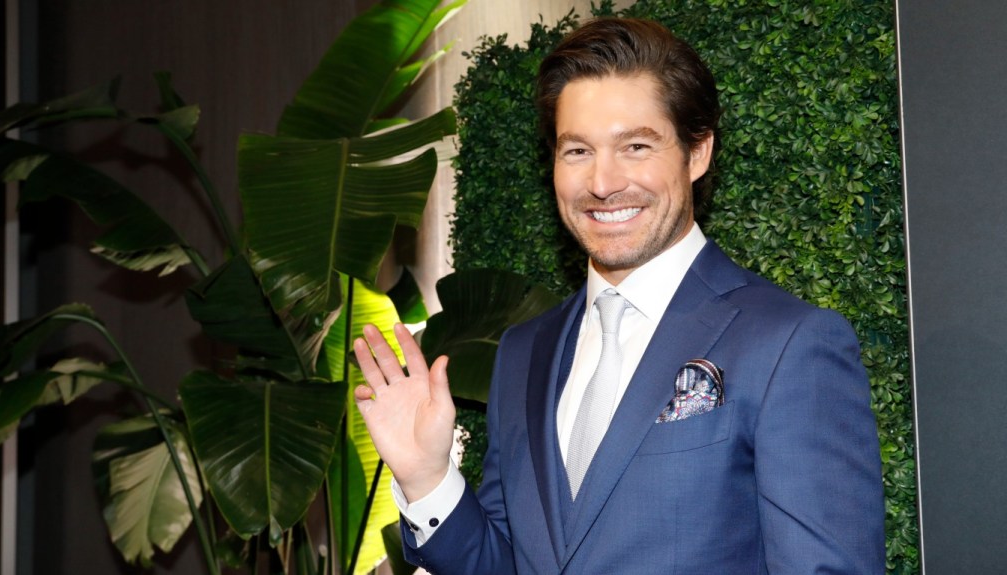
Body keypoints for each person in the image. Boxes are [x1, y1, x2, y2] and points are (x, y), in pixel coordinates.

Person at [352, 17, 885, 575]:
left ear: (697, 153)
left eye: (635, 146)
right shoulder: (523, 352)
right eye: (577, 151)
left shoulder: (787, 343)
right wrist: (426, 477)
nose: (603, 183)